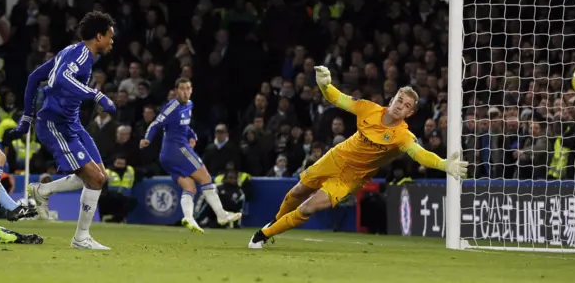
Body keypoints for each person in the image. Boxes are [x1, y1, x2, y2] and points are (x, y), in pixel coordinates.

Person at [248, 66, 468, 248]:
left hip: (352, 177)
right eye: (399, 101)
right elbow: (338, 98)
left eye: (407, 106)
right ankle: (275, 223)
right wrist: (325, 84)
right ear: (392, 100)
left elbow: (420, 155)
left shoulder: (403, 136)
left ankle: (263, 235)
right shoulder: (368, 108)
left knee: (308, 207)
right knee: (297, 191)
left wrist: (443, 164)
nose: (401, 106)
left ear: (410, 114)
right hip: (335, 157)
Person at [10, 11, 117, 250]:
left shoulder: (70, 51)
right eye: (110, 36)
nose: (112, 41)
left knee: (100, 176)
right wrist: (97, 94)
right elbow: (60, 78)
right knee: (95, 179)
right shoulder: (80, 54)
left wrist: (27, 117)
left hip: (72, 123)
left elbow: (34, 77)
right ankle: (81, 238)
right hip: (55, 123)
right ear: (99, 36)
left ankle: (43, 190)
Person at [140, 78, 241, 234]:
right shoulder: (171, 107)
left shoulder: (189, 105)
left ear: (192, 90)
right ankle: (221, 215)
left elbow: (183, 127)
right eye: (182, 89)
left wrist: (192, 134)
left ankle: (188, 217)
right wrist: (147, 139)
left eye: (188, 88)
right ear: (176, 91)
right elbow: (155, 123)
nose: (185, 92)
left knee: (190, 187)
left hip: (169, 155)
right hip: (177, 150)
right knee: (206, 178)